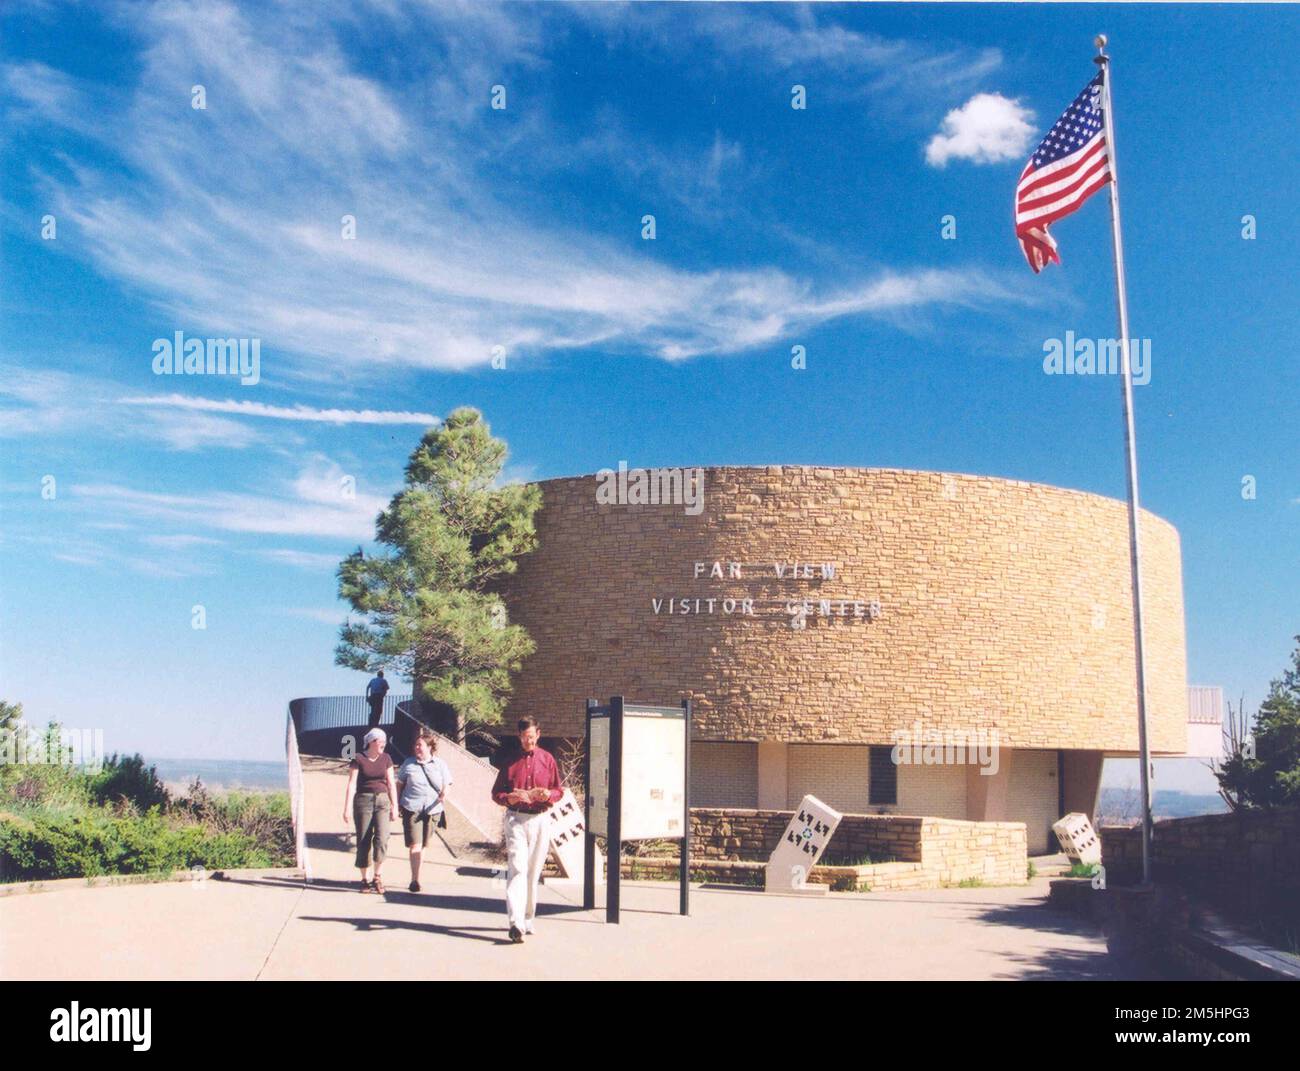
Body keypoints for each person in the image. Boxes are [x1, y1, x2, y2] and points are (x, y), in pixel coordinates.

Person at [491, 716, 564, 943]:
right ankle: (515, 923)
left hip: (540, 819)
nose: (528, 742)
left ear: (538, 735)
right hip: (516, 820)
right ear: (519, 736)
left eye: (531, 737)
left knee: (533, 873)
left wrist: (548, 795)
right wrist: (509, 798)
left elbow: (558, 790)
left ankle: (528, 918)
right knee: (518, 869)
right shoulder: (510, 760)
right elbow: (496, 793)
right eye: (524, 738)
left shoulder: (547, 759)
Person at [396, 728, 453, 893]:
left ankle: (417, 875)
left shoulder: (440, 764)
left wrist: (444, 794)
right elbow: (399, 784)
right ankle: (415, 880)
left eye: (420, 745)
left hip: (433, 809)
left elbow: (448, 783)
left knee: (424, 845)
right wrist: (397, 803)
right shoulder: (408, 763)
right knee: (415, 844)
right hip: (412, 807)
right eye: (416, 745)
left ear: (429, 748)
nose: (417, 748)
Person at [343, 727, 399, 894]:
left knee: (382, 839)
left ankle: (377, 876)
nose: (383, 744)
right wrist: (346, 808)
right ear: (372, 742)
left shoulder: (386, 758)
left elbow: (391, 783)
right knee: (363, 840)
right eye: (380, 741)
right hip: (363, 801)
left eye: (384, 741)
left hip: (382, 801)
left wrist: (395, 805)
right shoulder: (358, 758)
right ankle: (364, 879)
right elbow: (352, 784)